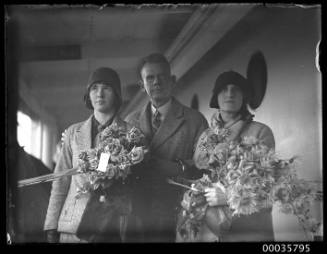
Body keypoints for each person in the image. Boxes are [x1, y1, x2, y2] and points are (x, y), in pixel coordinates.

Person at [124, 53, 208, 242]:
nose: (156, 82)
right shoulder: (130, 121)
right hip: (138, 212)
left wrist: (177, 167)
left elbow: (207, 168)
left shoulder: (194, 120)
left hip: (178, 210)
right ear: (142, 85)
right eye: (150, 78)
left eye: (162, 76)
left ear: (172, 80)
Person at [44, 67, 132, 243]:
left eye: (106, 87)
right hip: (73, 227)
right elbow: (60, 181)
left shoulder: (131, 134)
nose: (99, 94)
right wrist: (51, 224)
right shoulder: (72, 133)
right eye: (94, 88)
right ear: (88, 95)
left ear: (116, 94)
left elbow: (136, 186)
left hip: (113, 227)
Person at [192, 70, 275, 242]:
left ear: (244, 96)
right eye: (224, 89)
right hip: (210, 229)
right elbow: (198, 174)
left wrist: (229, 196)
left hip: (249, 230)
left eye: (236, 89)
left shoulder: (261, 132)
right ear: (216, 97)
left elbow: (266, 187)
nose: (230, 93)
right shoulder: (205, 136)